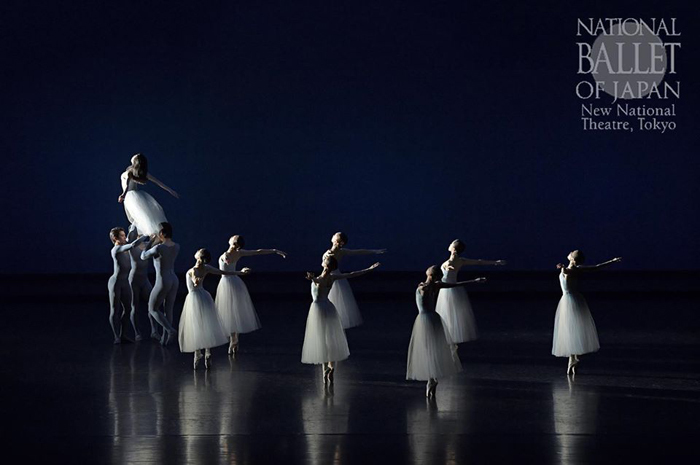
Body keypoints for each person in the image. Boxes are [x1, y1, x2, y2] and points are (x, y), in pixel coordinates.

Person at [407, 265, 486, 398]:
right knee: (434, 347)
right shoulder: (433, 286)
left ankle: (431, 379)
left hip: (425, 319)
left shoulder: (423, 287)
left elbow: (449, 285)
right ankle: (431, 378)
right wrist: (474, 281)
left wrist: (474, 281)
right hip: (434, 318)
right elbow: (454, 285)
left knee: (428, 348)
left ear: (429, 274)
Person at [302, 255, 380, 384]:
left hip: (318, 309)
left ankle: (325, 371)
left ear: (325, 264)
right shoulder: (332, 277)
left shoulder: (321, 278)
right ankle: (330, 369)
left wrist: (312, 278)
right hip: (328, 307)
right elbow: (351, 274)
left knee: (322, 340)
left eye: (324, 260)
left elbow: (319, 281)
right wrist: (369, 269)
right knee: (330, 339)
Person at [215, 235, 287, 355]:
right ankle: (234, 338)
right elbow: (257, 252)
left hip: (228, 283)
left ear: (234, 244)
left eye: (234, 238)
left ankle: (233, 339)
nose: (233, 237)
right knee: (234, 311)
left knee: (231, 312)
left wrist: (240, 272)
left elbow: (225, 271)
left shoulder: (227, 255)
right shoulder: (239, 253)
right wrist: (274, 250)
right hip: (235, 282)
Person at [179, 248, 251, 369]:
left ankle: (198, 354)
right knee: (206, 325)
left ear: (198, 257)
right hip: (204, 297)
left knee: (196, 326)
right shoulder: (206, 268)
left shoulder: (192, 270)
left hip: (194, 299)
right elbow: (224, 272)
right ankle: (207, 353)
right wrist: (240, 272)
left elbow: (192, 285)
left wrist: (196, 282)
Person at [553, 250, 622, 374]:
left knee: (571, 330)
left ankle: (573, 360)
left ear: (573, 259)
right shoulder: (576, 268)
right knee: (570, 330)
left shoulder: (574, 270)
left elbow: (593, 268)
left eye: (573, 252)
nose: (571, 252)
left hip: (571, 301)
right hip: (570, 300)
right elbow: (596, 267)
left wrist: (563, 268)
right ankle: (573, 359)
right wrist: (612, 261)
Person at [435, 239, 505, 352]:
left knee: (448, 314)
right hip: (452, 289)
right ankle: (450, 340)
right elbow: (479, 262)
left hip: (448, 289)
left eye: (451, 244)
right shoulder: (460, 260)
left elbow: (452, 267)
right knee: (451, 314)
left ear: (453, 248)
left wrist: (448, 268)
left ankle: (448, 340)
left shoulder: (451, 262)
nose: (449, 244)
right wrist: (495, 262)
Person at [322, 232, 385, 329]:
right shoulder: (338, 251)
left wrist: (373, 251)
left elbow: (359, 251)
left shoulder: (336, 252)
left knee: (328, 299)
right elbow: (359, 251)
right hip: (333, 275)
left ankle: (328, 322)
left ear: (338, 242)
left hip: (331, 276)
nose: (333, 235)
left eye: (335, 235)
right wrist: (373, 251)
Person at [117, 153, 179, 235]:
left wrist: (170, 190)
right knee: (137, 219)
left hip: (131, 196)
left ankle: (142, 237)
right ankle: (140, 237)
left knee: (138, 219)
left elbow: (157, 182)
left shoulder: (133, 172)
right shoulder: (131, 170)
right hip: (132, 196)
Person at [141, 222, 180, 346]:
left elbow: (143, 256)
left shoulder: (159, 248)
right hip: (174, 279)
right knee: (168, 309)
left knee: (152, 308)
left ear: (162, 233)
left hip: (163, 280)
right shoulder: (177, 246)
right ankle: (165, 339)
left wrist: (151, 242)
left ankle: (170, 330)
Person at [108, 227, 148, 344]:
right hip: (115, 282)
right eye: (122, 235)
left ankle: (123, 334)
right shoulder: (116, 249)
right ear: (115, 238)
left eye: (125, 235)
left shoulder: (125, 248)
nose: (125, 237)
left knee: (128, 308)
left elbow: (140, 245)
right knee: (115, 310)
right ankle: (116, 336)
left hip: (125, 282)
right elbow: (132, 245)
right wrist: (145, 233)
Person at [127, 227, 158, 341]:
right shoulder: (132, 246)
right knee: (134, 306)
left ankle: (154, 331)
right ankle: (137, 333)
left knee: (152, 305)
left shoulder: (146, 245)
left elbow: (157, 239)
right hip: (134, 279)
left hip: (144, 279)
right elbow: (132, 236)